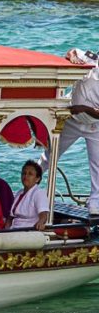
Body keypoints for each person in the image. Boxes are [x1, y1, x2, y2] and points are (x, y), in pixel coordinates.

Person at [43, 66, 99, 214]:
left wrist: (85, 109)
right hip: (71, 119)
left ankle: (95, 203)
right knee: (51, 153)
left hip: (94, 125)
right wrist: (73, 56)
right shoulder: (90, 60)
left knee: (97, 164)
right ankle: (30, 186)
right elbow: (71, 55)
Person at [6, 160, 49, 230]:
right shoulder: (19, 192)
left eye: (30, 174)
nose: (26, 176)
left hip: (27, 231)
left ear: (37, 179)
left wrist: (41, 222)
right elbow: (10, 217)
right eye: (24, 173)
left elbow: (43, 214)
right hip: (13, 229)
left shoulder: (39, 193)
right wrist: (5, 230)